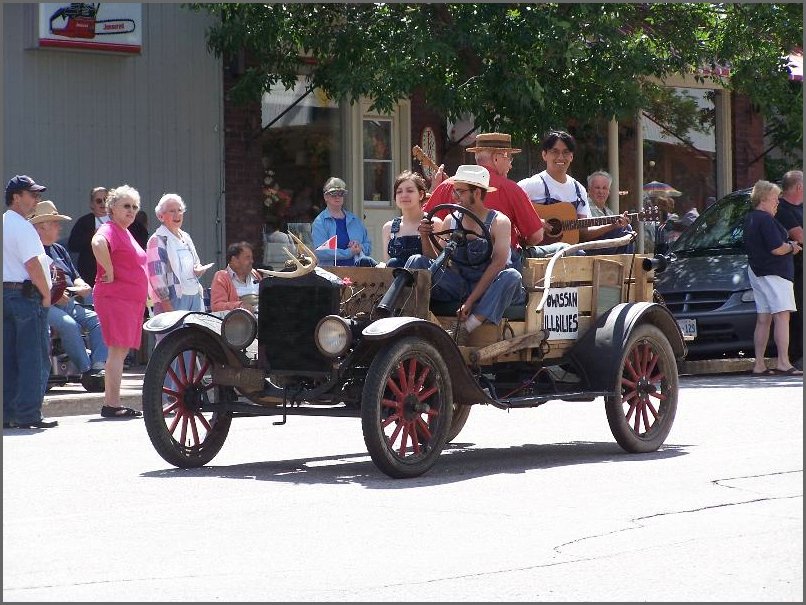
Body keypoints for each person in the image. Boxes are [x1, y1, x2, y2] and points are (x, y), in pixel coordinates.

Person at [405, 165, 525, 343]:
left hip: (490, 287)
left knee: (512, 276)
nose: (454, 197)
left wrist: (470, 301)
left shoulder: (499, 222)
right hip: (459, 284)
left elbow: (497, 265)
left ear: (476, 193)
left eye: (459, 192)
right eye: (454, 191)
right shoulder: (450, 221)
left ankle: (468, 327)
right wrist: (424, 237)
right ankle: (405, 318)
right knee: (416, 261)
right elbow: (436, 262)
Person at [424, 132, 544, 271]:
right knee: (560, 249)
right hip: (498, 269)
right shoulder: (510, 188)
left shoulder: (446, 186)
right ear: (497, 158)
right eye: (510, 158)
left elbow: (426, 223)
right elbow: (536, 236)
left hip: (454, 267)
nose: (510, 165)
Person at [3, 175, 58, 429]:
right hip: (26, 297)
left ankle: (8, 413)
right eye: (32, 194)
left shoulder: (5, 223)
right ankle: (28, 413)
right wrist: (46, 294)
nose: (37, 199)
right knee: (33, 356)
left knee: (9, 357)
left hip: (7, 294)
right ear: (16, 197)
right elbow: (33, 264)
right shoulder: (23, 226)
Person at [30, 200, 107, 381]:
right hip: (45, 304)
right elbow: (31, 281)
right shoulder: (33, 251)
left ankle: (99, 365)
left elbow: (75, 274)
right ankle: (88, 371)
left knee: (99, 320)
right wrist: (54, 295)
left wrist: (82, 285)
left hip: (70, 301)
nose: (59, 227)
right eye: (55, 223)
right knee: (68, 325)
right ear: (41, 227)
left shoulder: (59, 250)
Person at [91, 185, 149, 418]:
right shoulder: (110, 228)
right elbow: (97, 243)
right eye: (126, 206)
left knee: (120, 353)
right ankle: (112, 404)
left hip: (128, 300)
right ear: (111, 208)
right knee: (117, 352)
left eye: (134, 207)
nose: (131, 211)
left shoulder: (125, 232)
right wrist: (109, 268)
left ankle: (112, 402)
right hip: (116, 298)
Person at [742, 180, 802, 376]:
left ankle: (759, 364)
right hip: (775, 273)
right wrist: (792, 247)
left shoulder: (751, 218)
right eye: (775, 199)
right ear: (765, 199)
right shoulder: (766, 219)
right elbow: (776, 248)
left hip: (757, 271)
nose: (777, 203)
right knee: (782, 316)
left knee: (763, 318)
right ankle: (783, 362)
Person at [67, 186, 148, 286]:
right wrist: (93, 235)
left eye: (105, 200)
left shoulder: (126, 223)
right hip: (93, 275)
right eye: (98, 201)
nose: (103, 203)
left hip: (125, 279)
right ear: (92, 204)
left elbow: (143, 236)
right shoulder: (85, 222)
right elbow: (73, 244)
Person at [146, 193, 207, 314]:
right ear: (160, 216)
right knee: (174, 333)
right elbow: (156, 277)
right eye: (172, 211)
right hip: (172, 301)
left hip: (194, 296)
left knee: (194, 333)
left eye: (180, 210)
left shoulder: (186, 237)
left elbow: (196, 263)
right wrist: (167, 307)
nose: (177, 214)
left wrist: (198, 269)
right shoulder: (157, 240)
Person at [380, 171, 442, 268]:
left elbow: (436, 265)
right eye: (399, 191)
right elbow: (388, 266)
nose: (404, 195)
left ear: (421, 195)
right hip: (395, 281)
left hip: (423, 281)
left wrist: (425, 236)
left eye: (409, 191)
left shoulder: (435, 223)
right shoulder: (388, 228)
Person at [311, 177, 378, 267]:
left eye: (341, 193)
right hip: (330, 274)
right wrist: (348, 252)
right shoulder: (320, 222)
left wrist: (359, 247)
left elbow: (368, 247)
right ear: (325, 197)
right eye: (333, 194)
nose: (337, 197)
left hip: (357, 273)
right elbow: (320, 252)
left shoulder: (355, 220)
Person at [775, 170, 803, 369]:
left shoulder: (800, 208)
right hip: (794, 270)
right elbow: (800, 236)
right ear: (799, 187)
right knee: (797, 312)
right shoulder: (783, 209)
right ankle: (797, 355)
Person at [586, 170, 635, 254]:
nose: (601, 191)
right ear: (589, 190)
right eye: (597, 188)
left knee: (628, 230)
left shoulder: (609, 212)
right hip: (589, 248)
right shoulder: (584, 208)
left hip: (606, 248)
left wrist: (622, 223)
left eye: (604, 188)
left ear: (608, 192)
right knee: (624, 231)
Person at [211, 241, 263, 312]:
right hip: (239, 320)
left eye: (251, 258)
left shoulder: (255, 274)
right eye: (247, 258)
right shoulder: (222, 277)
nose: (252, 261)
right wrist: (239, 306)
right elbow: (216, 306)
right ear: (234, 260)